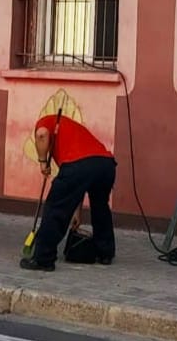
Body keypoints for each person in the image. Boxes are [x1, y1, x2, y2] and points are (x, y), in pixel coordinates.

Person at [20, 113, 117, 271]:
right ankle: (105, 252)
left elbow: (41, 134)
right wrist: (76, 213)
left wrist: (43, 163)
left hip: (78, 165)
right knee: (100, 208)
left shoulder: (45, 123)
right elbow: (79, 184)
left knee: (55, 208)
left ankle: (43, 258)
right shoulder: (73, 131)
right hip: (105, 165)